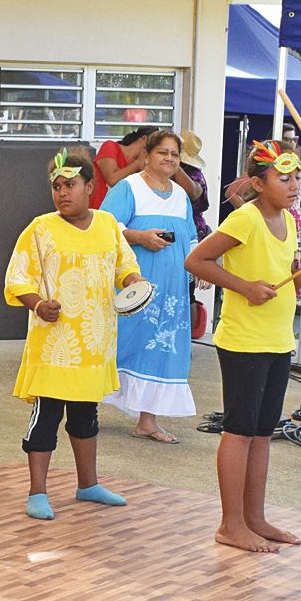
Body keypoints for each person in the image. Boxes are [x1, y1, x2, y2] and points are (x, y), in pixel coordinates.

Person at [187, 140, 301, 554]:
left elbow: (286, 281)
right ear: (259, 183)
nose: (294, 184)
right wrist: (243, 286)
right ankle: (230, 524)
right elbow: (196, 261)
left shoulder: (293, 220)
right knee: (240, 431)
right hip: (243, 341)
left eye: (297, 176)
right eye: (284, 177)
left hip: (279, 339)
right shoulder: (244, 219)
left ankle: (255, 517)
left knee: (263, 433)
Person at [4, 149, 142, 521]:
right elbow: (17, 278)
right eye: (57, 186)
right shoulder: (40, 228)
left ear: (90, 186)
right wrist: (36, 304)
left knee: (86, 416)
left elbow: (126, 266)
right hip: (54, 346)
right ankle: (37, 492)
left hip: (94, 344)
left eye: (71, 185)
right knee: (46, 417)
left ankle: (88, 484)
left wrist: (134, 283)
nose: (63, 192)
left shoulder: (110, 225)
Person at [101, 130, 198, 441]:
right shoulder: (128, 187)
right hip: (135, 285)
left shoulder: (181, 195)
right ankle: (86, 407)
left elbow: (191, 237)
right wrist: (140, 237)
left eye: (174, 154)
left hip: (172, 290)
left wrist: (200, 268)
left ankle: (148, 420)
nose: (169, 158)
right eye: (162, 152)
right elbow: (106, 228)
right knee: (122, 341)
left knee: (162, 348)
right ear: (146, 156)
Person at [91, 125, 155, 209]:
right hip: (96, 210)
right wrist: (137, 163)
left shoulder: (143, 166)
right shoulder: (110, 146)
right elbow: (112, 179)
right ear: (145, 139)